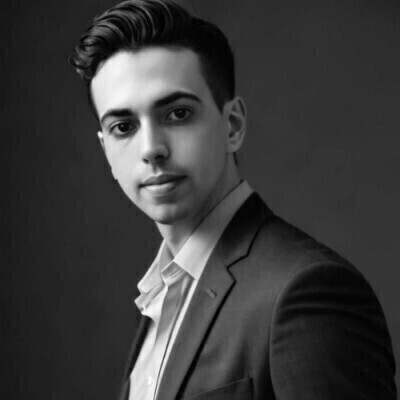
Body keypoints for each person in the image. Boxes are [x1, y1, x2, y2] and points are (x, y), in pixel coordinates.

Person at [69, 0, 397, 399]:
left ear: (233, 125)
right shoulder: (160, 297)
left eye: (177, 114)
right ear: (105, 149)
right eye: (123, 126)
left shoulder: (306, 292)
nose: (151, 148)